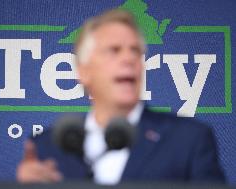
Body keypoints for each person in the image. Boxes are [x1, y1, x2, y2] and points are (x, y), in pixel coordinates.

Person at [16, 9, 225, 185]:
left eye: (135, 51)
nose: (128, 58)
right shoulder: (47, 147)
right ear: (84, 72)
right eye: (114, 50)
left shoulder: (188, 140)